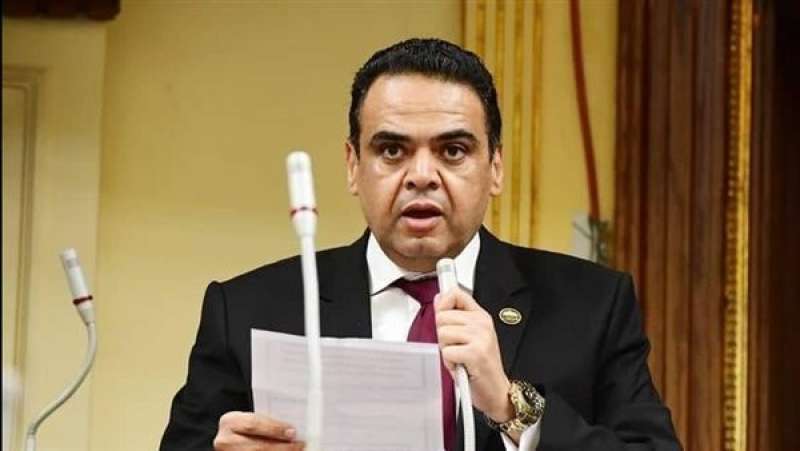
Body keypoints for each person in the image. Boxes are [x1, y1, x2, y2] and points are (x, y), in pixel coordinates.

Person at [160, 38, 681, 451]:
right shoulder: (249, 311)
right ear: (353, 165)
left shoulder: (591, 306)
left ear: (495, 168)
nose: (422, 176)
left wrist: (511, 406)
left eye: (453, 150)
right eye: (392, 150)